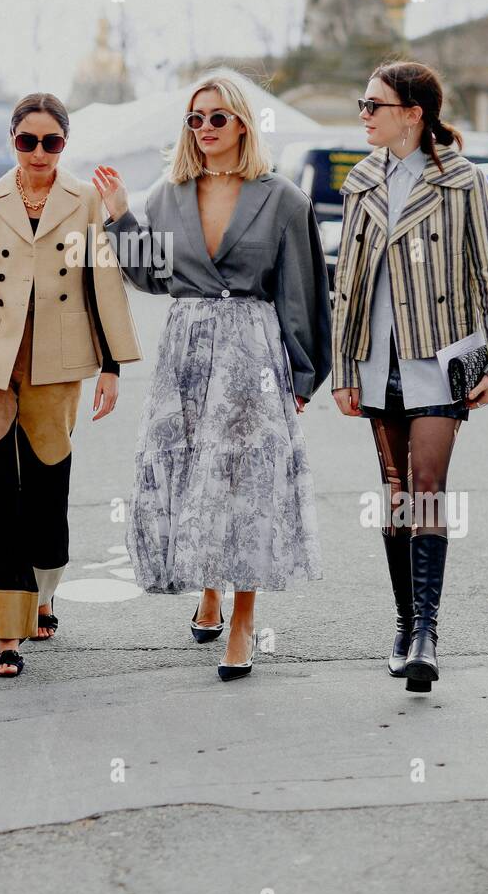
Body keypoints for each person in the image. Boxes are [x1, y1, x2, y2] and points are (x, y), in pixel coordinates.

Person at [94, 75, 331, 682]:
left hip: (251, 353)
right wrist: (121, 217)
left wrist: (302, 377)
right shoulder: (168, 193)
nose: (204, 129)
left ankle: (244, 619)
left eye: (217, 119)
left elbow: (303, 294)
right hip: (186, 352)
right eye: (194, 119)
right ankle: (207, 587)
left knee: (246, 482)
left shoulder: (283, 200)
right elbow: (151, 277)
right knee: (192, 470)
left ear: (244, 125)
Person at [0, 92, 142, 678]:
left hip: (59, 363)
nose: (39, 152)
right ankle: (6, 632)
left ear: (64, 144)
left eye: (52, 142)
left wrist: (112, 367)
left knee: (46, 490)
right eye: (26, 140)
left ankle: (43, 595)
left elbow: (102, 281)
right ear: (11, 141)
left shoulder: (84, 199)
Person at [331, 59, 488, 691]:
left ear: (413, 114)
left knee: (428, 485)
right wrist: (342, 367)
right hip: (376, 361)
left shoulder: (464, 182)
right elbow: (346, 288)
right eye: (363, 102)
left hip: (438, 358)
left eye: (373, 105)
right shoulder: (360, 182)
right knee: (395, 489)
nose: (363, 114)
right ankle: (405, 621)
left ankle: (427, 635)